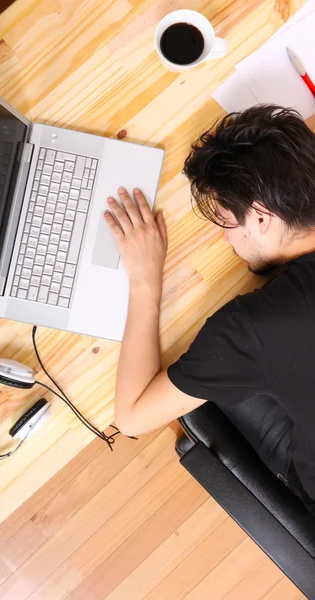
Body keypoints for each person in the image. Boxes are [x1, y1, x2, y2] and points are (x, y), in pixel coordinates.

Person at [104, 105, 315, 515]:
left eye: (224, 222)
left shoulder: (252, 329)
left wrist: (145, 281)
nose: (224, 241)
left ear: (261, 217)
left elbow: (130, 418)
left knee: (208, 370)